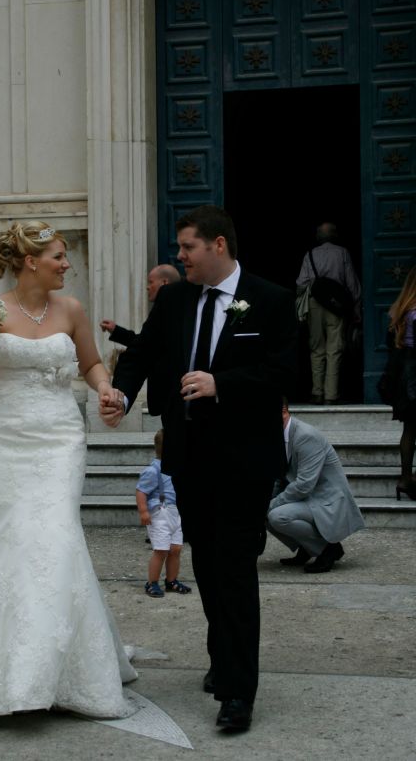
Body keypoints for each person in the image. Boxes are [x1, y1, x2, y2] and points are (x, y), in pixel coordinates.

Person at [100, 205, 297, 733]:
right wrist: (122, 395)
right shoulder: (174, 298)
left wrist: (220, 384)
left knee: (236, 568)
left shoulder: (271, 299)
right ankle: (222, 656)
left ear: (218, 245)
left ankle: (238, 692)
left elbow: (285, 371)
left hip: (245, 460)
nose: (180, 256)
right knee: (208, 566)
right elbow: (141, 353)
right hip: (188, 458)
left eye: (188, 247)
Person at [0, 221, 136, 720]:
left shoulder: (71, 309)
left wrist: (105, 390)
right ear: (31, 261)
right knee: (8, 540)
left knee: (57, 537)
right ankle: (4, 673)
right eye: (58, 256)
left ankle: (63, 671)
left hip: (59, 439)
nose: (66, 264)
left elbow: (91, 365)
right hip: (6, 440)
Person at [267, 399, 365, 572]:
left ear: (283, 412)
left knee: (277, 516)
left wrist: (273, 503)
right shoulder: (276, 436)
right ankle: (307, 546)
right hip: (306, 498)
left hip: (325, 500)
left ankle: (328, 549)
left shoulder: (305, 436)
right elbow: (279, 476)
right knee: (261, 512)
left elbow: (304, 485)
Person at [296, 222, 361, 405]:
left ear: (318, 237)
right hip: (336, 306)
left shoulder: (310, 254)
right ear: (335, 235)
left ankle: (317, 392)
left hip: (315, 304)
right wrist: (356, 308)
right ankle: (331, 395)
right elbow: (352, 284)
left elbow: (301, 283)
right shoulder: (342, 253)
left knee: (316, 349)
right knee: (335, 349)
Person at [136, 429, 192, 598]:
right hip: (160, 513)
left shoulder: (177, 469)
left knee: (176, 549)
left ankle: (171, 580)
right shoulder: (154, 470)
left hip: (175, 513)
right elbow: (141, 491)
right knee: (161, 550)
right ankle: (152, 582)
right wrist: (143, 511)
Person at [383, 265, 416, 500]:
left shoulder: (400, 310)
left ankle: (405, 478)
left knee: (410, 428)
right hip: (414, 376)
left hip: (405, 376)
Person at [99, 264, 181, 347]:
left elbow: (143, 346)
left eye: (151, 282)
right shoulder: (172, 309)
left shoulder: (167, 313)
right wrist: (115, 330)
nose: (147, 287)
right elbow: (144, 342)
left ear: (164, 283)